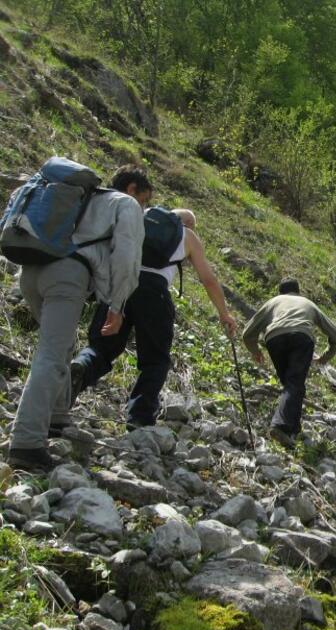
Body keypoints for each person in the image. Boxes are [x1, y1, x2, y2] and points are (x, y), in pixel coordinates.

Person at [6, 164, 150, 473]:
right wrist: (117, 304)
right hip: (67, 276)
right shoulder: (125, 205)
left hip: (30, 271)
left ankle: (57, 416)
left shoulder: (77, 197)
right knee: (52, 354)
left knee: (61, 344)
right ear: (133, 190)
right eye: (146, 200)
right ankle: (26, 443)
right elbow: (126, 257)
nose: (145, 207)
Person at [71, 208, 238, 430]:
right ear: (187, 223)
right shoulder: (187, 235)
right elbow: (208, 279)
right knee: (156, 360)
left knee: (101, 347)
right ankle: (139, 416)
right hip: (154, 293)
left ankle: (80, 367)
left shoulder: (140, 217)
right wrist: (224, 313)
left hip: (120, 283)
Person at [243, 279, 336, 445]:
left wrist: (256, 351)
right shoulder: (308, 304)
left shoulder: (272, 303)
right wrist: (325, 358)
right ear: (298, 291)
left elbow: (247, 333)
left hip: (274, 338)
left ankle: (292, 430)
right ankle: (279, 426)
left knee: (291, 384)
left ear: (280, 292)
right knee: (294, 383)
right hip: (301, 337)